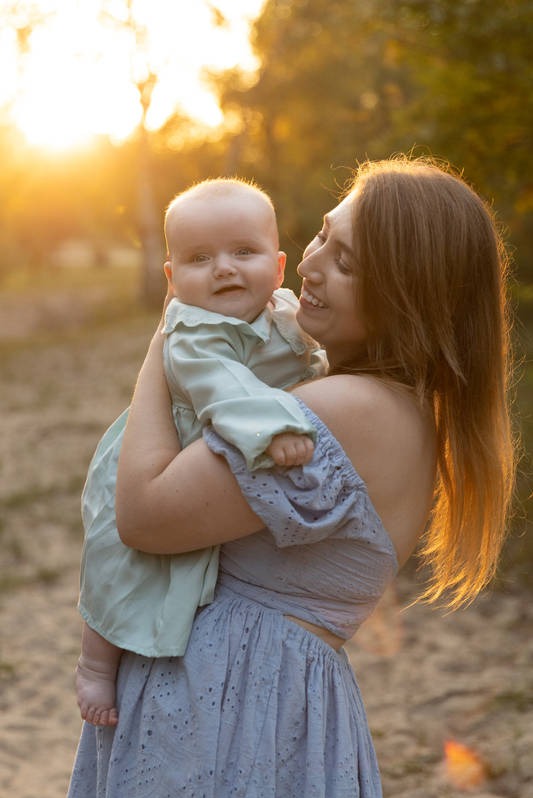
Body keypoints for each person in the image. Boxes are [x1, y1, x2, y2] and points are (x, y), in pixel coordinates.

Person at [68, 155, 515, 798]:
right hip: (257, 703)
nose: (310, 265)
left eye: (346, 262)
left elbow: (141, 514)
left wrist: (172, 335)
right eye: (323, 236)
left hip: (229, 716)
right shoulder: (388, 404)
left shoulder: (351, 409)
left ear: (409, 294)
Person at [75, 178, 327, 727]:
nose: (224, 269)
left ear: (278, 268)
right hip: (157, 449)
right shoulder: (193, 330)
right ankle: (95, 662)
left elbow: (311, 356)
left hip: (209, 454)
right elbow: (221, 384)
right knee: (119, 562)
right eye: (199, 258)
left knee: (180, 560)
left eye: (243, 251)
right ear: (172, 280)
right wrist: (273, 426)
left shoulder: (284, 310)